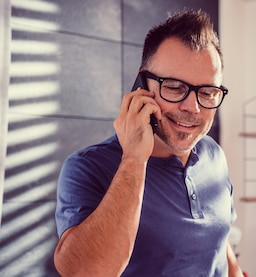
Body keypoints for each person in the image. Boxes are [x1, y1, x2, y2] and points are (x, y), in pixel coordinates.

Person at [53, 9, 243, 277]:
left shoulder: (214, 155)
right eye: (175, 88)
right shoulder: (87, 168)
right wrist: (134, 157)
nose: (193, 107)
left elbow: (220, 245)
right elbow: (85, 272)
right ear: (142, 84)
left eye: (208, 92)